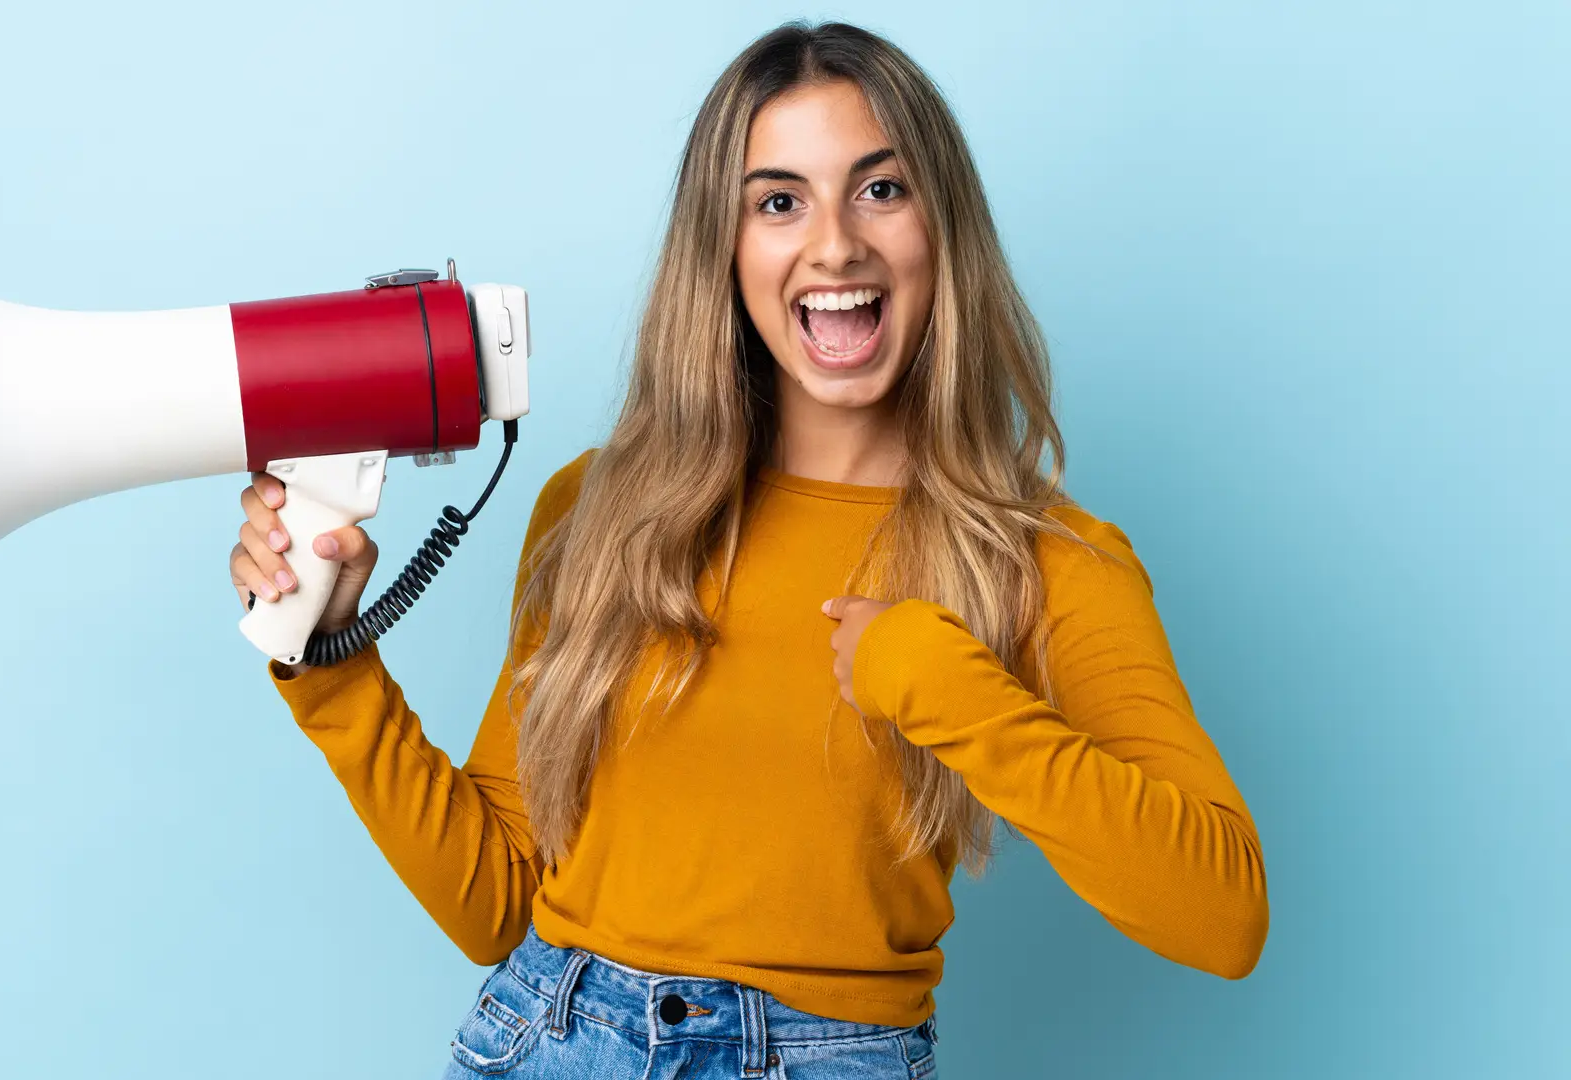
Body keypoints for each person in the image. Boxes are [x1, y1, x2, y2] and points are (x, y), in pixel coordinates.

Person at [229, 20, 1267, 1079]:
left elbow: (1222, 915)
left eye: (881, 189)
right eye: (779, 202)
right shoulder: (600, 512)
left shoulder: (1046, 562)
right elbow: (496, 905)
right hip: (547, 1037)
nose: (835, 245)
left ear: (943, 226)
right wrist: (332, 665)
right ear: (723, 250)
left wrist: (947, 688)